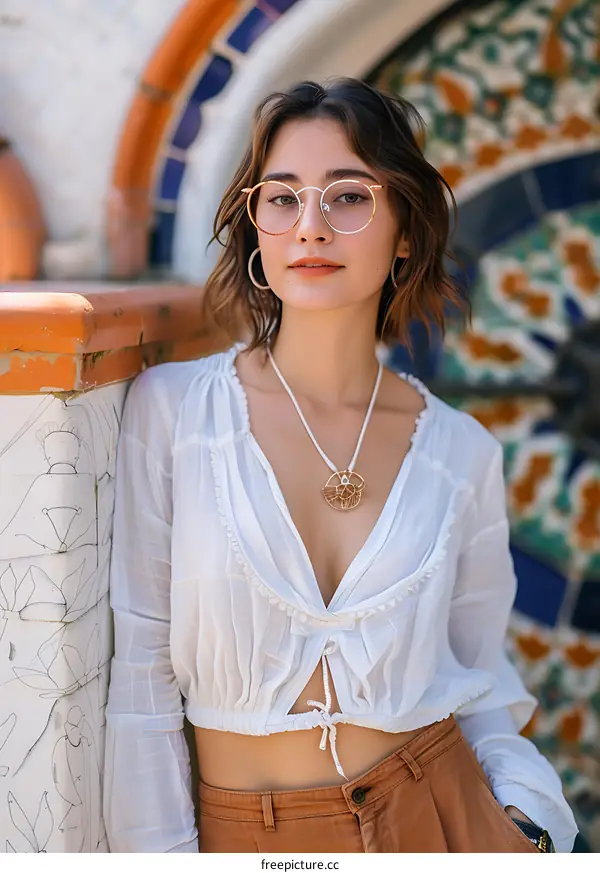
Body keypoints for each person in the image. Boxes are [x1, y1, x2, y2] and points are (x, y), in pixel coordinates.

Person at [103, 78, 578, 853]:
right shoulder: (176, 414)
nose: (310, 227)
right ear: (255, 223)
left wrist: (528, 820)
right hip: (248, 838)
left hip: (444, 822)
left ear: (403, 231)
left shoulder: (461, 451)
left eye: (349, 196)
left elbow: (481, 682)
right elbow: (141, 684)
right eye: (282, 198)